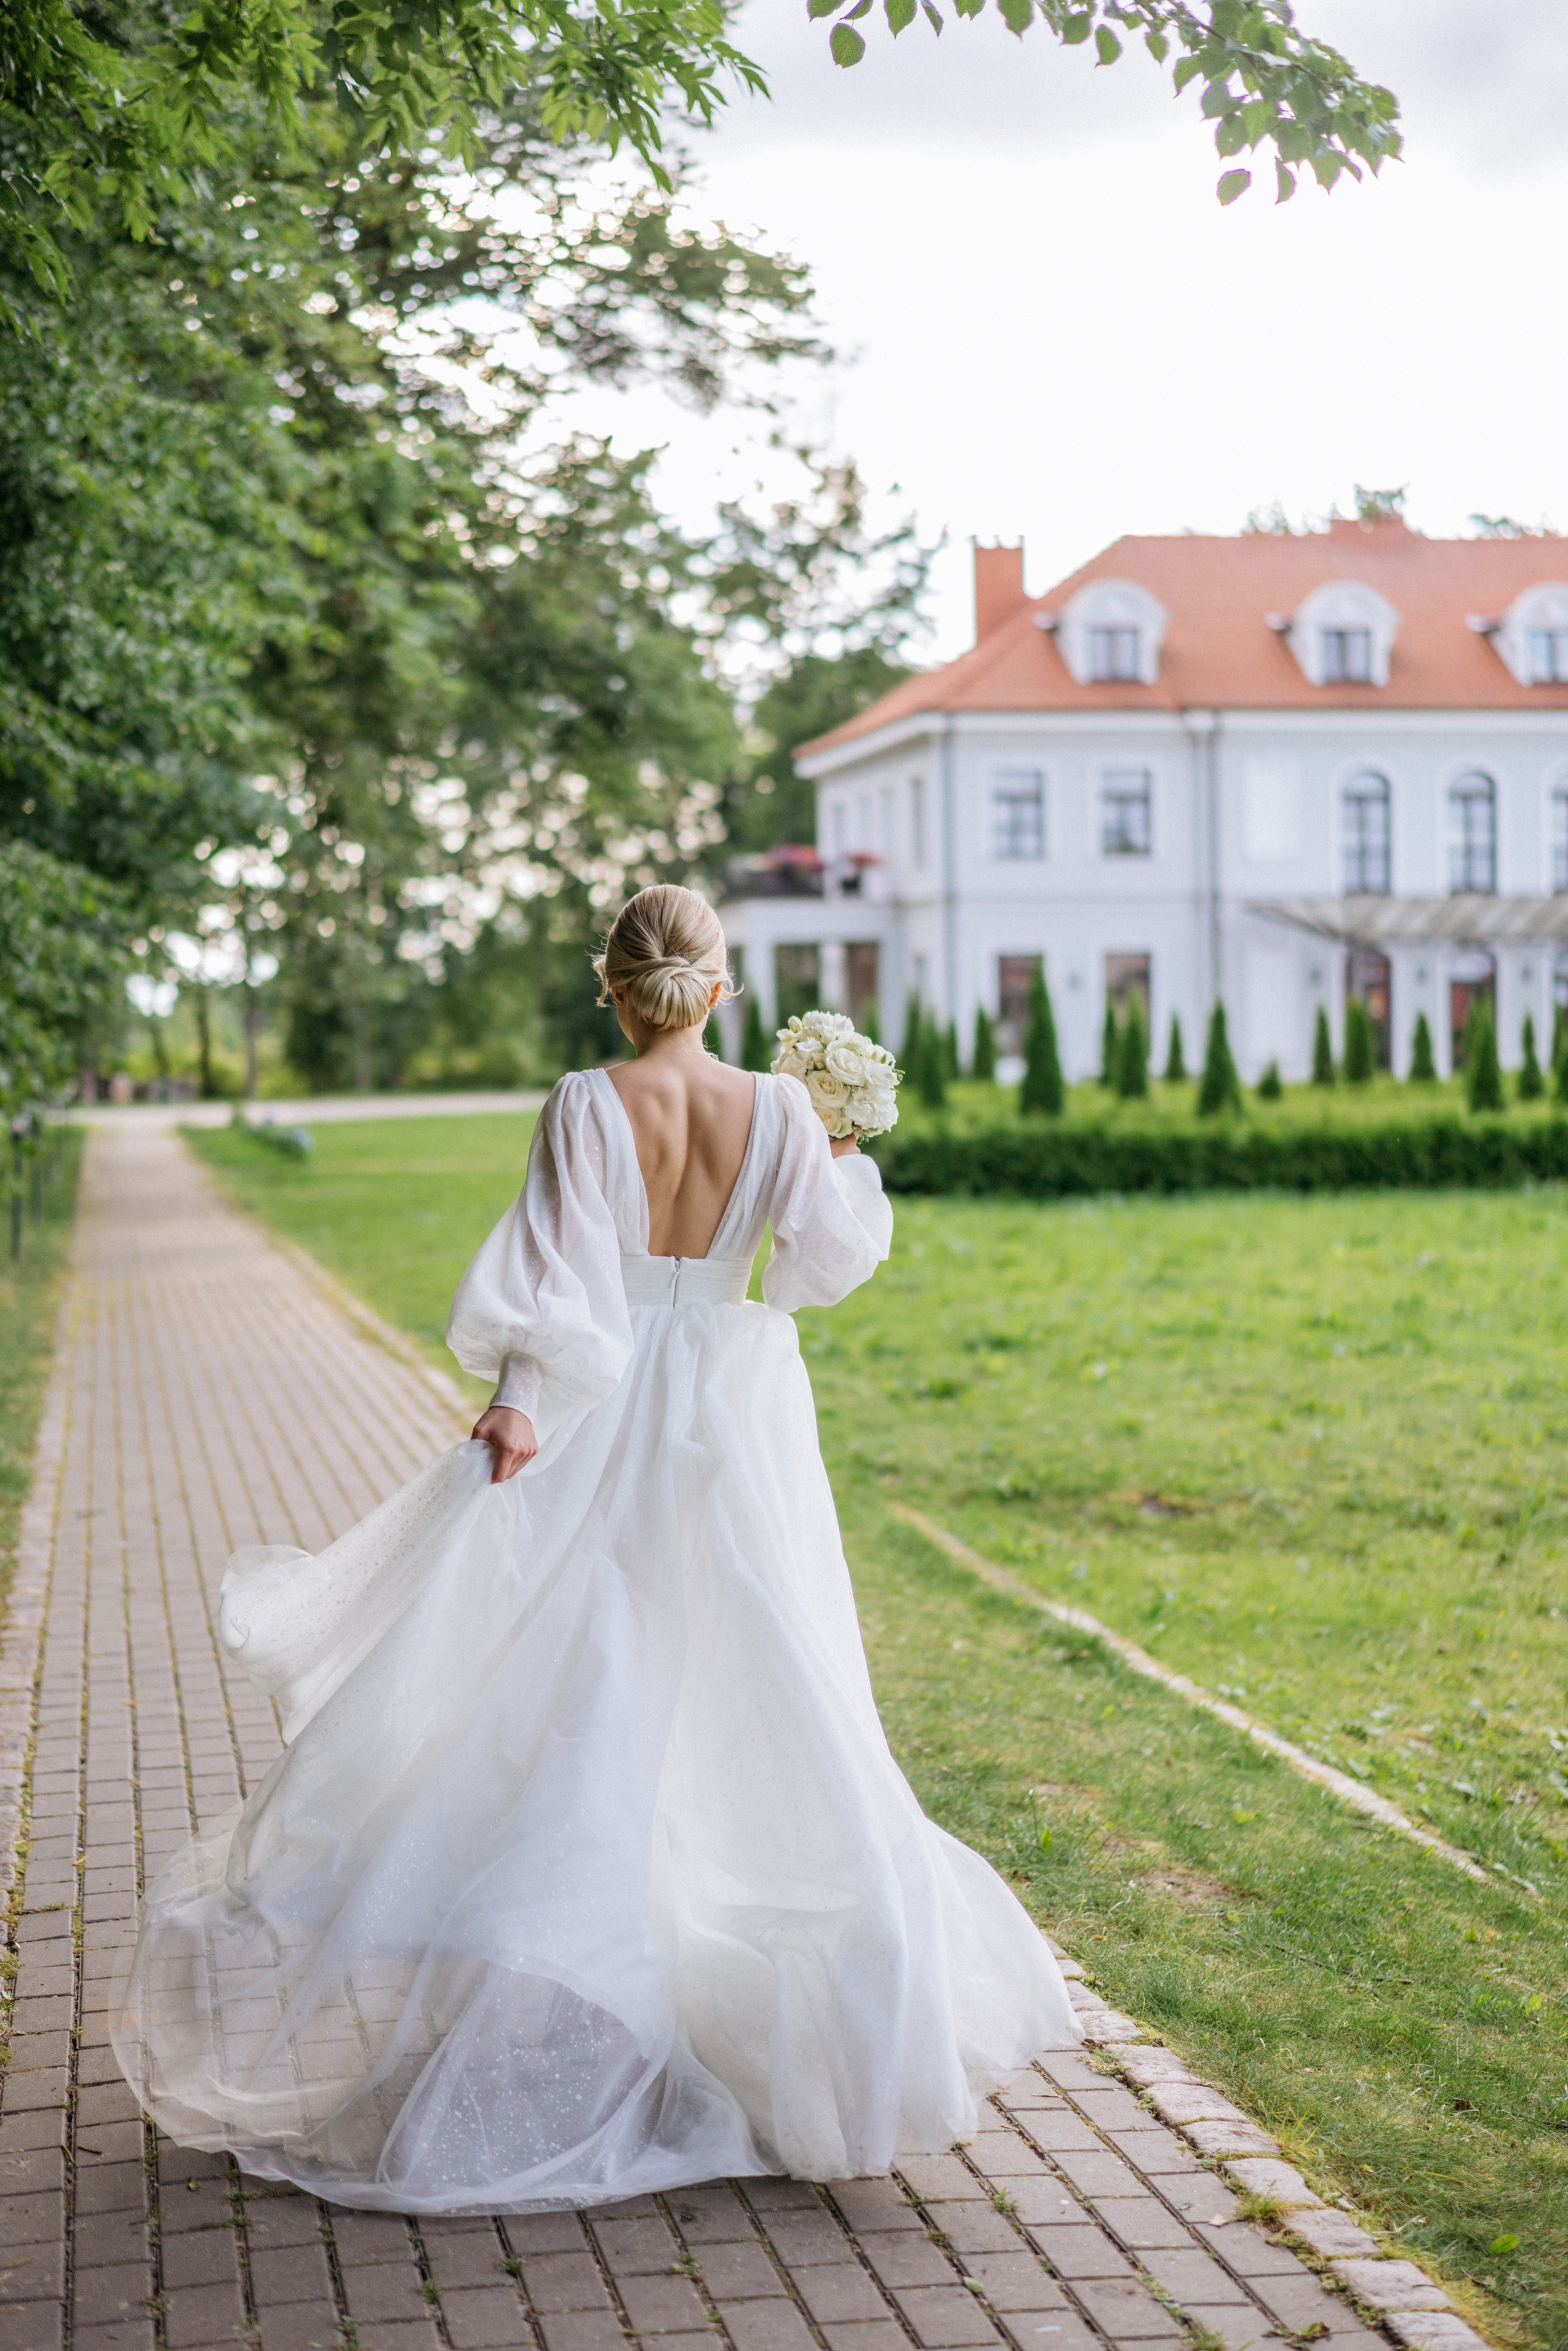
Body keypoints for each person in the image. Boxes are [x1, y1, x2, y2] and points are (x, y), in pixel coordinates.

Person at [111, 885, 1077, 2214]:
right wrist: (837, 1154)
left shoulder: (584, 1101)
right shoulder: (782, 1109)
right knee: (762, 1661)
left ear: (610, 988)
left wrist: (517, 1401)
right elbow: (819, 1266)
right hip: (734, 1408)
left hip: (605, 1402)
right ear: (720, 990)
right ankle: (805, 2016)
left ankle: (586, 1957)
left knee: (589, 1669)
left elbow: (558, 1278)